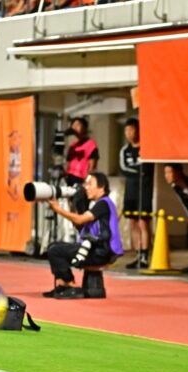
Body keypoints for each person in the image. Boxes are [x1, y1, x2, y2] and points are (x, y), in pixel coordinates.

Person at [43, 172, 123, 299]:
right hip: (97, 249)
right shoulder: (99, 204)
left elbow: (80, 220)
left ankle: (71, 286)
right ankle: (63, 285)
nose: (86, 187)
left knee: (55, 250)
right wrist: (72, 204)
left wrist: (58, 209)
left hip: (101, 252)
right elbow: (80, 225)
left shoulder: (103, 204)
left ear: (101, 187)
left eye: (90, 184)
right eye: (85, 184)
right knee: (54, 246)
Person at [119, 117, 154, 269]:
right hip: (130, 191)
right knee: (132, 222)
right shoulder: (124, 150)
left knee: (143, 222)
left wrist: (140, 172)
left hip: (144, 190)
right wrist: (138, 171)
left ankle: (145, 255)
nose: (129, 133)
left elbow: (147, 170)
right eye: (126, 130)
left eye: (131, 129)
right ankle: (137, 254)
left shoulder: (146, 148)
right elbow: (123, 169)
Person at [64, 116, 99, 214]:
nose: (75, 127)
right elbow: (68, 163)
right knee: (72, 210)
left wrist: (87, 183)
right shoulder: (73, 146)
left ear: (85, 127)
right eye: (73, 125)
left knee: (81, 210)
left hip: (82, 180)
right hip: (70, 179)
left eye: (78, 125)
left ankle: (84, 229)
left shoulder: (91, 144)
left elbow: (93, 166)